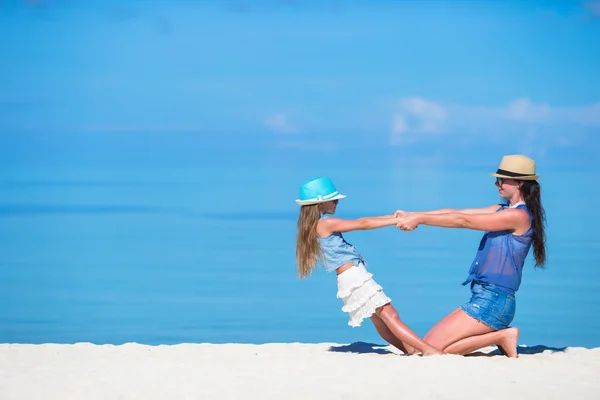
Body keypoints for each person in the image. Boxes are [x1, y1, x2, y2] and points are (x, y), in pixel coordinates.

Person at [395, 155, 546, 358]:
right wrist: (413, 213)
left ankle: (501, 336)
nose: (496, 184)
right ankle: (501, 336)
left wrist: (420, 219)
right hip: (484, 298)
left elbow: (463, 221)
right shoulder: (500, 210)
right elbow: (455, 212)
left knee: (428, 350)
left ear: (519, 183)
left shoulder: (517, 217)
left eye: (501, 180)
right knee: (426, 346)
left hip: (494, 301)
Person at [295, 177, 443, 356]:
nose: (337, 202)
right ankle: (429, 350)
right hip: (354, 277)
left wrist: (394, 217)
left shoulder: (314, 225)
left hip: (346, 278)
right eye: (333, 200)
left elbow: (364, 220)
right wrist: (393, 221)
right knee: (390, 315)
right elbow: (362, 223)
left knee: (380, 321)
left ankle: (411, 350)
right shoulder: (326, 223)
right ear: (320, 203)